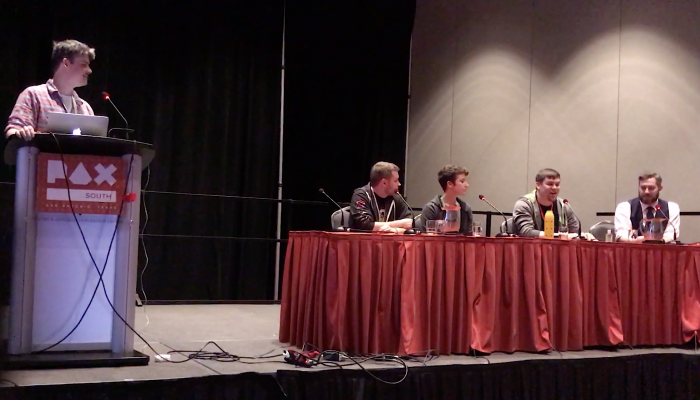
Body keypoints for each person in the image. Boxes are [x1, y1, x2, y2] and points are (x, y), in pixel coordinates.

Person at [5, 39, 96, 141]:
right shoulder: (34, 95)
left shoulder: (86, 108)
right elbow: (12, 131)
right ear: (66, 63)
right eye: (83, 65)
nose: (89, 70)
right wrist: (21, 132)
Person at [512, 168, 579, 237]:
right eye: (550, 184)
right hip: (530, 244)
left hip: (558, 244)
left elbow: (575, 232)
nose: (554, 187)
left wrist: (580, 236)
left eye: (557, 184)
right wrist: (557, 236)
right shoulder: (524, 204)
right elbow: (526, 232)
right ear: (538, 185)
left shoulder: (563, 205)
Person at [614, 173, 680, 243]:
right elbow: (621, 235)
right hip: (633, 248)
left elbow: (670, 235)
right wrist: (635, 242)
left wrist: (657, 242)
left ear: (660, 188)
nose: (646, 192)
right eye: (643, 188)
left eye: (651, 188)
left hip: (662, 249)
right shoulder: (624, 207)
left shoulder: (671, 208)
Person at [350, 162, 413, 233]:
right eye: (395, 180)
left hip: (389, 240)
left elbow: (409, 223)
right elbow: (364, 224)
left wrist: (393, 230)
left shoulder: (396, 197)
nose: (399, 184)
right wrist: (398, 224)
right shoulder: (361, 195)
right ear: (384, 183)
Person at [419, 164, 473, 235]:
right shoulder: (431, 209)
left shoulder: (465, 209)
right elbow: (425, 238)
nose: (467, 185)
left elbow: (469, 237)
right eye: (462, 181)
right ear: (450, 184)